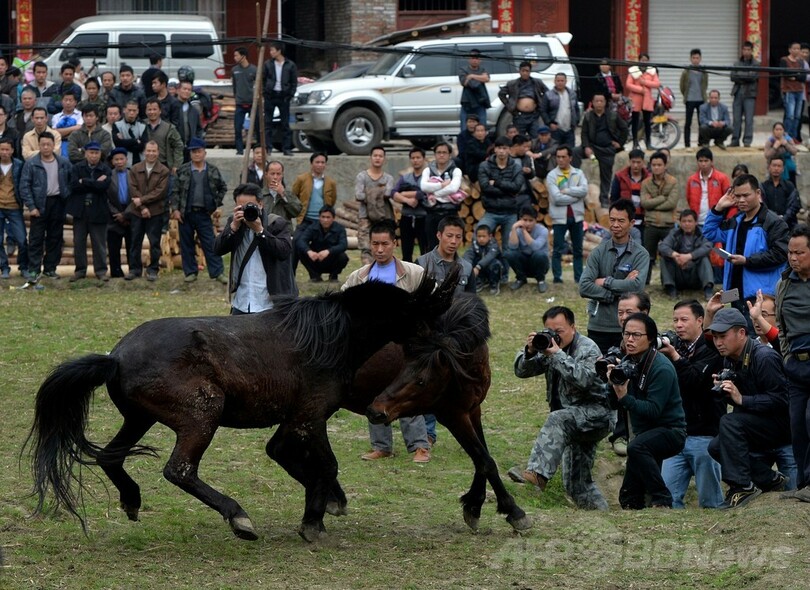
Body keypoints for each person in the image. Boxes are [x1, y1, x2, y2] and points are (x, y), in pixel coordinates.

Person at [343, 219, 432, 463]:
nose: (380, 249)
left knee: (406, 393)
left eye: (384, 244)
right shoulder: (359, 277)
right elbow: (342, 308)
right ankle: (381, 446)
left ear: (394, 244)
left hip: (405, 348)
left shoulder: (413, 274)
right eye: (375, 244)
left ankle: (419, 446)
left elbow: (429, 306)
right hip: (371, 350)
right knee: (374, 394)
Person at [508, 306, 612, 510]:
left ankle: (536, 475)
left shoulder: (587, 348)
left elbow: (583, 379)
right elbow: (521, 372)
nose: (554, 336)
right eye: (549, 330)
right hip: (573, 420)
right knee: (576, 483)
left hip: (597, 415)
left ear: (573, 327)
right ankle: (601, 516)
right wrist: (529, 351)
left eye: (560, 330)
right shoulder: (548, 347)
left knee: (557, 419)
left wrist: (556, 354)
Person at [707, 307, 791, 508]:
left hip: (782, 425)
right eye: (716, 337)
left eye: (723, 336)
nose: (718, 342)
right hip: (757, 422)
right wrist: (726, 392)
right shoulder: (730, 358)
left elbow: (782, 401)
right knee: (715, 447)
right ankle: (769, 478)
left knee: (729, 421)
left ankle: (742, 487)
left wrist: (742, 399)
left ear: (741, 333)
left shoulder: (764, 357)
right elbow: (739, 399)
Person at [609, 313, 687, 509]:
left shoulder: (661, 368)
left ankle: (662, 499)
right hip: (644, 434)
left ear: (651, 338)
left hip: (670, 431)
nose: (630, 340)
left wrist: (624, 397)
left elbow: (653, 410)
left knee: (635, 447)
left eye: (636, 335)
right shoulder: (628, 361)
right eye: (626, 334)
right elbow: (612, 403)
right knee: (628, 497)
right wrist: (612, 382)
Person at [657, 300, 725, 508]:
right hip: (676, 433)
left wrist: (675, 357)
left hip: (704, 435)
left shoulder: (713, 349)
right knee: (667, 497)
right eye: (675, 320)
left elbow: (696, 380)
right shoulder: (672, 346)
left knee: (710, 501)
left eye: (684, 320)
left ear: (699, 321)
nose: (678, 325)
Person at [703, 173, 789, 325]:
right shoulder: (735, 221)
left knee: (760, 338)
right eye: (738, 196)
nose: (741, 200)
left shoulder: (773, 222)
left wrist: (747, 261)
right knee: (738, 338)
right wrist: (718, 208)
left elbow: (780, 254)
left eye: (746, 195)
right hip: (734, 292)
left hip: (761, 295)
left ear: (757, 193)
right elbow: (709, 232)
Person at [579, 199, 650, 353]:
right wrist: (617, 290)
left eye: (621, 221)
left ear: (631, 223)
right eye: (612, 220)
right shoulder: (598, 252)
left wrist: (605, 281)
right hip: (598, 326)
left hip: (629, 328)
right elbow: (584, 286)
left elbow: (636, 286)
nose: (615, 225)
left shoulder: (641, 254)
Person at [214, 182, 296, 314]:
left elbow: (284, 252)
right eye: (241, 207)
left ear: (261, 204)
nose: (246, 210)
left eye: (250, 206)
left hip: (269, 302)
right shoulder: (235, 223)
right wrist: (233, 228)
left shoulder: (275, 223)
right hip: (242, 300)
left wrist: (260, 231)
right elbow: (217, 250)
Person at [776, 224, 810, 502]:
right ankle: (803, 484)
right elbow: (781, 325)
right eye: (790, 252)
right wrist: (787, 355)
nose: (793, 258)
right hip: (796, 366)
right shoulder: (785, 282)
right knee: (797, 425)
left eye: (799, 252)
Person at [169, 137, 228, 284]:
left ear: (204, 153)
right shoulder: (183, 170)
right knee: (186, 243)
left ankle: (218, 272)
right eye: (193, 152)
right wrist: (175, 209)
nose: (196, 154)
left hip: (204, 213)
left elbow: (223, 188)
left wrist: (215, 204)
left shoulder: (212, 170)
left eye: (199, 151)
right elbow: (174, 191)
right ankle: (190, 272)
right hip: (186, 213)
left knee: (210, 243)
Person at [20, 132, 72, 280]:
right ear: (39, 145)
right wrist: (31, 207)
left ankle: (50, 268)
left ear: (53, 145)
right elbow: (24, 186)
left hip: (58, 203)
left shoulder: (63, 163)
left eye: (48, 144)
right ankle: (34, 269)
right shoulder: (31, 163)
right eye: (42, 144)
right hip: (39, 204)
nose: (46, 147)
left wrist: (66, 198)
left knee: (55, 238)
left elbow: (71, 182)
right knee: (36, 238)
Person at [66, 142, 111, 282]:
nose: (93, 156)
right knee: (79, 242)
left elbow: (103, 186)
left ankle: (101, 271)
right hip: (80, 210)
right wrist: (93, 182)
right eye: (91, 153)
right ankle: (80, 270)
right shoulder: (77, 167)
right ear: (86, 153)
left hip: (98, 210)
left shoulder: (105, 169)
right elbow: (74, 186)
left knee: (99, 243)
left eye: (96, 153)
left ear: (100, 154)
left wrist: (84, 181)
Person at [478, 135, 526, 261]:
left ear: (509, 150)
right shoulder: (485, 166)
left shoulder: (516, 167)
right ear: (495, 149)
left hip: (510, 212)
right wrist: (507, 190)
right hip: (490, 211)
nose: (501, 151)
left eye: (504, 148)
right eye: (499, 148)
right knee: (478, 237)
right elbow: (485, 187)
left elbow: (516, 188)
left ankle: (504, 275)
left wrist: (497, 183)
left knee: (509, 246)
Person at [125, 141, 168, 281]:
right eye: (148, 150)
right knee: (135, 241)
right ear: (144, 151)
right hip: (137, 211)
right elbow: (133, 189)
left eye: (154, 151)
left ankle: (153, 269)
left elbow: (160, 192)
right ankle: (134, 269)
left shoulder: (163, 170)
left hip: (155, 212)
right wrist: (142, 208)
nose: (151, 153)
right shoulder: (135, 168)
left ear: (158, 152)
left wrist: (142, 201)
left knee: (154, 243)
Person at [577, 92, 627, 208]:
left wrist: (619, 143)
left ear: (605, 103)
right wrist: (586, 147)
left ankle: (604, 198)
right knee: (574, 152)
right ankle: (574, 186)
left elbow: (624, 129)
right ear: (592, 103)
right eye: (596, 101)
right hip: (593, 147)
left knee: (606, 175)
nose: (599, 103)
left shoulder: (613, 115)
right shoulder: (588, 116)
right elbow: (584, 133)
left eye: (601, 101)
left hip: (607, 149)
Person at [546, 144, 587, 284]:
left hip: (577, 216)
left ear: (570, 158)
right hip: (559, 217)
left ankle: (579, 277)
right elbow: (556, 198)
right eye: (558, 157)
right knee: (557, 248)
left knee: (578, 249)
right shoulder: (552, 175)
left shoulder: (578, 173)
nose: (560, 160)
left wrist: (567, 191)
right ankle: (557, 278)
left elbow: (584, 191)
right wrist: (576, 196)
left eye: (563, 157)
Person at [292, 152, 337, 268]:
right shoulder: (301, 179)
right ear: (311, 164)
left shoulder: (330, 182)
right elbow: (294, 197)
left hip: (321, 223)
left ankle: (318, 274)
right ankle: (291, 274)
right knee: (296, 242)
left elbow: (332, 201)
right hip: (305, 220)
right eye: (317, 162)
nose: (320, 165)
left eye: (323, 162)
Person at [658, 209, 715, 300]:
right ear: (680, 223)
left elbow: (707, 247)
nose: (687, 224)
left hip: (695, 273)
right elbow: (663, 246)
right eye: (684, 221)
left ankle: (708, 291)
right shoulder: (674, 233)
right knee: (665, 257)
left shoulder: (702, 233)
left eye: (689, 221)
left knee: (704, 258)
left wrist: (689, 256)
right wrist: (675, 255)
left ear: (695, 222)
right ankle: (671, 288)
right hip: (679, 270)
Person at [640, 150, 679, 277]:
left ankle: (669, 281)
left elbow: (672, 203)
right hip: (651, 224)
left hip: (668, 224)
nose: (656, 168)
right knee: (647, 255)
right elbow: (644, 203)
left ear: (665, 165)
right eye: (654, 165)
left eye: (659, 165)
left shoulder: (673, 182)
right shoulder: (646, 183)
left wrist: (653, 202)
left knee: (668, 255)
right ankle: (645, 281)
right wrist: (663, 198)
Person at [355, 145, 394, 265]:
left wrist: (370, 193)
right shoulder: (362, 176)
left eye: (380, 156)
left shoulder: (388, 178)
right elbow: (358, 195)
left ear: (384, 159)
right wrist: (379, 191)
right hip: (365, 217)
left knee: (383, 249)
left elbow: (388, 193)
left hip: (383, 218)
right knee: (366, 248)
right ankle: (367, 277)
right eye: (375, 156)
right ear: (370, 158)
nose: (377, 158)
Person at [420, 142, 463, 251]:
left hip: (450, 213)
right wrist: (442, 185)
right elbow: (424, 187)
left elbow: (453, 188)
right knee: (431, 246)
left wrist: (435, 193)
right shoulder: (428, 170)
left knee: (450, 246)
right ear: (434, 154)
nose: (441, 155)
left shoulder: (456, 170)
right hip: (432, 213)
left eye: (444, 152)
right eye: (439, 152)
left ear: (449, 155)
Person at [391, 147, 429, 262]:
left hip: (423, 217)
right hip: (406, 217)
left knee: (425, 250)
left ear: (423, 159)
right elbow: (393, 193)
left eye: (418, 158)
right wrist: (407, 200)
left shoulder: (428, 177)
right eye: (413, 158)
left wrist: (407, 193)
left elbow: (427, 193)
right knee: (406, 251)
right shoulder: (405, 177)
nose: (415, 160)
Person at [295, 205, 349, 283]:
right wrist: (309, 251)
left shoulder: (340, 228)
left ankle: (333, 276)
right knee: (301, 251)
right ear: (319, 217)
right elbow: (301, 241)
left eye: (328, 217)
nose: (325, 220)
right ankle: (315, 276)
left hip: (332, 259)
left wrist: (328, 251)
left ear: (333, 218)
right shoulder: (312, 227)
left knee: (343, 257)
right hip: (316, 259)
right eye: (323, 217)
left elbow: (343, 245)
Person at [262, 40, 297, 156]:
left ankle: (286, 148)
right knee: (268, 123)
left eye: (272, 50)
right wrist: (264, 92)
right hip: (270, 96)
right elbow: (263, 79)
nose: (271, 52)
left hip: (283, 97)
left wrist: (290, 94)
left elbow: (293, 82)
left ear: (279, 51)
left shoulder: (290, 65)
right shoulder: (268, 64)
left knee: (285, 124)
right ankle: (268, 148)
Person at [504, 205, 550, 293]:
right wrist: (514, 228)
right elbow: (512, 247)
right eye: (525, 220)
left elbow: (535, 247)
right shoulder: (516, 230)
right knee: (509, 253)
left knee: (539, 254)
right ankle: (521, 278)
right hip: (523, 263)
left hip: (539, 263)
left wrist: (524, 231)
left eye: (531, 220)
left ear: (536, 220)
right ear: (520, 219)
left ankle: (541, 280)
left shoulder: (543, 230)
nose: (528, 223)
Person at [0, 138, 28, 279]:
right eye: (2, 149)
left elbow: (23, 186)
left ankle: (23, 266)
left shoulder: (19, 165)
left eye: (7, 149)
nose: (4, 152)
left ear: (12, 151)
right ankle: (4, 267)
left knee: (22, 239)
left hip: (14, 206)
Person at [498, 61, 547, 138]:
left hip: (533, 115)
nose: (525, 73)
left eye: (527, 71)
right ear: (519, 71)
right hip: (519, 116)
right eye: (523, 71)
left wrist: (541, 105)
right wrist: (509, 106)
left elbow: (547, 93)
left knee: (536, 138)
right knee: (519, 138)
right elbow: (501, 94)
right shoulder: (512, 83)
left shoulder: (537, 82)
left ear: (530, 72)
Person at [685, 147, 732, 227]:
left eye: (706, 161)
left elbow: (728, 198)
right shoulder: (692, 180)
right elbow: (689, 198)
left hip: (716, 221)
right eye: (700, 161)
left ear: (711, 162)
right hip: (697, 222)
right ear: (697, 162)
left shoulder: (722, 178)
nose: (703, 164)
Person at [610, 148, 649, 239]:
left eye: (638, 162)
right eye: (633, 162)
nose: (635, 165)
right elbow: (614, 198)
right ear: (629, 161)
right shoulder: (620, 177)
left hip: (644, 220)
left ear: (643, 162)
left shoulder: (649, 178)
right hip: (625, 219)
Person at [106, 147, 132, 278]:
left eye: (122, 159)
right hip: (114, 215)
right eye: (116, 159)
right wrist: (117, 214)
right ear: (112, 162)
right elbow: (106, 198)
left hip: (131, 213)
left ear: (126, 160)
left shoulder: (133, 174)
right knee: (113, 246)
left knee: (132, 245)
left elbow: (138, 196)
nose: (119, 162)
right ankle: (116, 272)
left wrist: (126, 214)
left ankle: (134, 270)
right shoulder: (108, 176)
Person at [625, 54, 660, 150]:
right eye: (642, 60)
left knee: (647, 122)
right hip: (636, 98)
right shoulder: (633, 70)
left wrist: (645, 83)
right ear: (639, 60)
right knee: (635, 122)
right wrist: (640, 90)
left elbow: (657, 83)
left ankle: (648, 142)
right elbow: (628, 84)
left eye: (646, 60)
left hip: (647, 99)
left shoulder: (652, 71)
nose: (644, 62)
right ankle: (635, 143)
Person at [730, 41, 760, 148]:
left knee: (749, 119)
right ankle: (735, 140)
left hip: (750, 94)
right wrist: (745, 75)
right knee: (736, 119)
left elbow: (752, 77)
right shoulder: (736, 63)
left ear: (752, 51)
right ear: (742, 50)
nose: (746, 52)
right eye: (744, 49)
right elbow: (733, 77)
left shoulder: (756, 63)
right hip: (738, 93)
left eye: (748, 50)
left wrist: (740, 75)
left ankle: (747, 141)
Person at [144, 98, 183, 177]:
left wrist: (176, 165)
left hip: (164, 166)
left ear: (160, 111)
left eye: (154, 109)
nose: (152, 112)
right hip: (144, 166)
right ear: (146, 111)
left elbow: (178, 146)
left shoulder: (169, 128)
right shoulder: (141, 125)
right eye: (149, 109)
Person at [540, 72, 579, 148]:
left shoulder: (572, 94)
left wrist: (576, 121)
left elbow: (576, 109)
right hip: (556, 129)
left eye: (562, 81)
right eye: (558, 81)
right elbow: (543, 111)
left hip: (569, 129)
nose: (560, 83)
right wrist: (549, 123)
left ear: (566, 81)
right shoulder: (548, 95)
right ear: (554, 81)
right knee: (556, 151)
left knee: (570, 151)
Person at [260, 159, 302, 230]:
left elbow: (296, 212)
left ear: (282, 175)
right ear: (266, 174)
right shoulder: (260, 195)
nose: (275, 177)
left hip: (284, 232)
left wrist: (283, 194)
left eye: (278, 174)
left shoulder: (288, 194)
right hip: (265, 231)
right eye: (272, 174)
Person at [679, 49, 708, 149]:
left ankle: (701, 142)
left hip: (701, 100)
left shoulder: (704, 71)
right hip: (690, 100)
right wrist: (686, 95)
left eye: (697, 58)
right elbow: (682, 86)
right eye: (693, 58)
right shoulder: (686, 72)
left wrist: (704, 96)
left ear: (700, 59)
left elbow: (705, 85)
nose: (695, 60)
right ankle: (687, 144)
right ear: (690, 59)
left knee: (702, 123)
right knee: (688, 123)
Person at [463, 224, 504, 295]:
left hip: (493, 269)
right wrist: (468, 267)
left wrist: (478, 267)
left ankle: (494, 284)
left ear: (490, 236)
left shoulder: (494, 245)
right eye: (479, 236)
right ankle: (479, 282)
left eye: (484, 236)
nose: (481, 239)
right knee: (470, 262)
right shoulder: (475, 244)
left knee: (494, 263)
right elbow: (468, 254)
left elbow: (489, 257)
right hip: (481, 269)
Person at [760, 158, 800, 230]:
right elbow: (762, 205)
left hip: (788, 225)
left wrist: (784, 218)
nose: (776, 168)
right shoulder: (763, 186)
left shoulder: (789, 185)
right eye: (774, 165)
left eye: (779, 166)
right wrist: (773, 217)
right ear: (769, 167)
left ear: (783, 169)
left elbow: (794, 205)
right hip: (769, 224)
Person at [232, 47, 257, 156]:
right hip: (240, 103)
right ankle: (239, 149)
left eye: (237, 55)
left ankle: (258, 148)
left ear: (243, 56)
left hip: (252, 103)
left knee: (257, 126)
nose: (235, 58)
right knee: (238, 127)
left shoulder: (254, 70)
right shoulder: (234, 70)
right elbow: (234, 86)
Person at [458, 49, 490, 131]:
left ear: (480, 60)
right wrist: (480, 77)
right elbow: (464, 83)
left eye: (477, 58)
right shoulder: (463, 69)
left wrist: (471, 76)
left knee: (481, 128)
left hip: (480, 101)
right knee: (464, 128)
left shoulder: (483, 69)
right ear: (469, 59)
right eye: (472, 58)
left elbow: (486, 78)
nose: (475, 60)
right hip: (467, 102)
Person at [780, 42, 806, 140]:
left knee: (797, 116)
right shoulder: (784, 60)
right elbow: (785, 74)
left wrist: (794, 76)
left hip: (799, 90)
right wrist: (797, 75)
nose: (796, 50)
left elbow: (803, 77)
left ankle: (793, 137)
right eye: (794, 48)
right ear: (790, 49)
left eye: (798, 49)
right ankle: (786, 136)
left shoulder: (801, 62)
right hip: (788, 90)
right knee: (789, 115)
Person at [113, 100, 148, 167]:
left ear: (137, 111)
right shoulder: (117, 125)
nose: (131, 113)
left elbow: (142, 146)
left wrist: (125, 142)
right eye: (129, 110)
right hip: (124, 164)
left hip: (140, 162)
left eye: (134, 110)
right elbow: (118, 144)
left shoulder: (143, 125)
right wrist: (135, 141)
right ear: (124, 110)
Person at [764, 122, 799, 186]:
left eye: (780, 130)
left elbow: (794, 151)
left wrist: (786, 144)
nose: (779, 132)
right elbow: (767, 155)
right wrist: (774, 147)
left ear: (783, 130)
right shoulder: (770, 141)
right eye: (777, 130)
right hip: (774, 164)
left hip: (788, 165)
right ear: (773, 131)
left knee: (791, 183)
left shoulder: (788, 139)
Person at [175, 80, 203, 157]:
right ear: (178, 90)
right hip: (175, 149)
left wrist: (197, 141)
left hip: (190, 148)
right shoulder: (172, 107)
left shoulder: (194, 111)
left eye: (189, 90)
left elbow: (199, 128)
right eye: (184, 89)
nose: (187, 91)